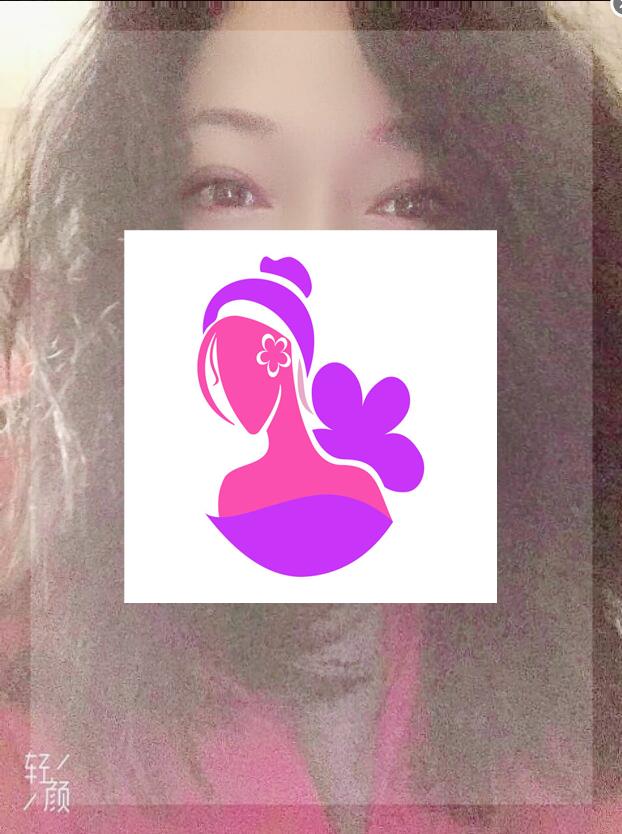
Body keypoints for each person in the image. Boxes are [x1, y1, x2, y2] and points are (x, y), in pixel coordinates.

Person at [1, 2, 620, 832]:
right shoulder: (40, 664)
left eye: (412, 201)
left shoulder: (564, 640)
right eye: (229, 190)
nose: (317, 260)